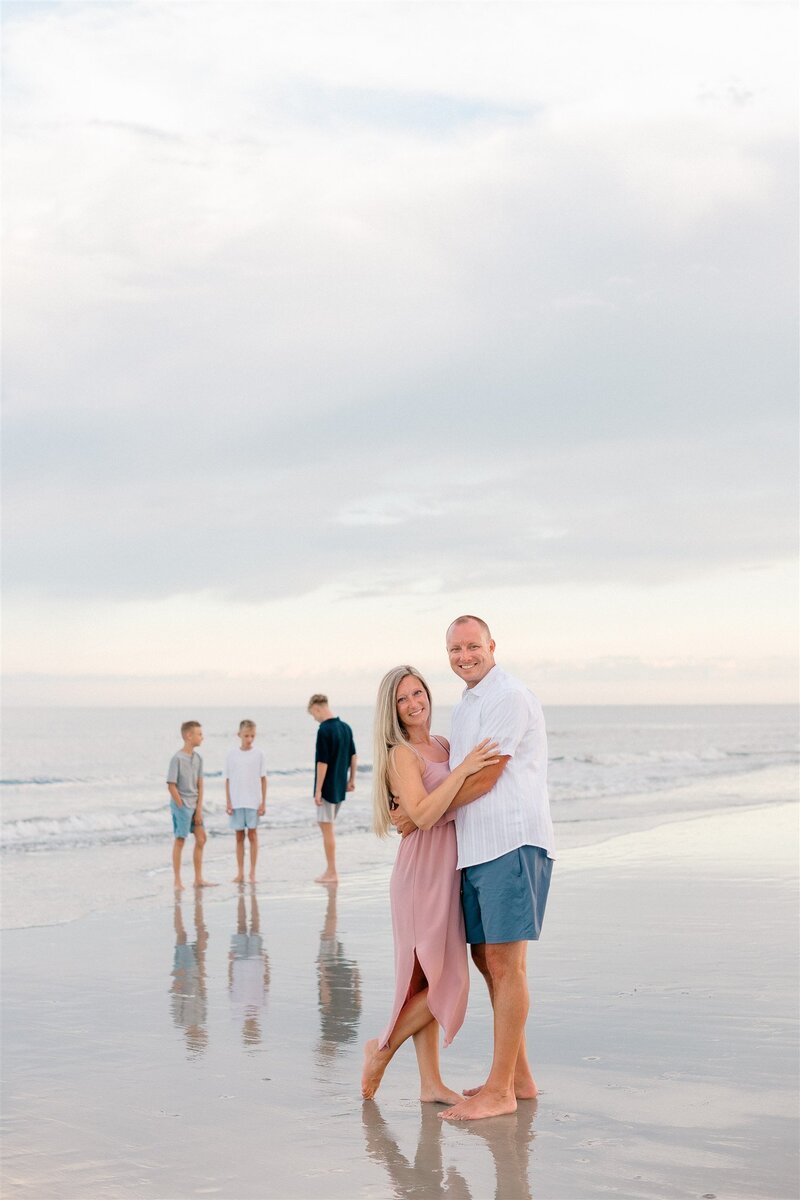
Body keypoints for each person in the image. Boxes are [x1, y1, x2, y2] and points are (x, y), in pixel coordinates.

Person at [361, 666, 505, 1104]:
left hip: (449, 868)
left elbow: (435, 808)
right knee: (444, 981)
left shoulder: (442, 744)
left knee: (427, 979)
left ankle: (430, 1084)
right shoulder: (401, 754)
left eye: (417, 692)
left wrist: (455, 776)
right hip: (420, 874)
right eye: (402, 698)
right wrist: (460, 772)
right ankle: (382, 1049)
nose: (413, 703)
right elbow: (422, 816)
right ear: (393, 708)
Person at [438, 615, 555, 1121]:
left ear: (491, 646)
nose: (464, 656)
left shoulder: (507, 695)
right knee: (490, 962)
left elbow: (486, 778)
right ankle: (519, 1079)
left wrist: (429, 814)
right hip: (476, 848)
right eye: (455, 649)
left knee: (507, 964)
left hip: (511, 840)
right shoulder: (467, 705)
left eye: (472, 646)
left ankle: (501, 1091)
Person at [307, 694, 357, 884]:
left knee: (327, 829)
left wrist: (318, 790)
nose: (315, 718)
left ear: (318, 708)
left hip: (327, 789)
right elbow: (354, 756)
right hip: (340, 788)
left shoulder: (324, 730)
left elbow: (322, 763)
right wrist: (351, 780)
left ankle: (332, 872)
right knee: (327, 827)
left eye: (314, 714)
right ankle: (331, 870)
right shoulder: (345, 728)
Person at [167, 720, 216, 890]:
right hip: (182, 806)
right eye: (199, 734)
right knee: (180, 840)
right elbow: (171, 784)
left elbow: (200, 784)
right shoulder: (177, 758)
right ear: (189, 736)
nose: (202, 737)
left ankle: (198, 879)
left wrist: (199, 809)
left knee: (201, 838)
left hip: (195, 805)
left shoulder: (198, 758)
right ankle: (177, 881)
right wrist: (180, 805)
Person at [224, 719, 268, 883]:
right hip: (236, 801)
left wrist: (263, 802)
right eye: (246, 736)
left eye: (252, 736)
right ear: (239, 735)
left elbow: (263, 779)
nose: (249, 739)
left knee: (253, 836)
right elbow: (228, 779)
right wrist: (228, 801)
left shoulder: (259, 754)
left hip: (253, 801)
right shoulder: (231, 754)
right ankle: (240, 873)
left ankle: (252, 873)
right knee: (239, 837)